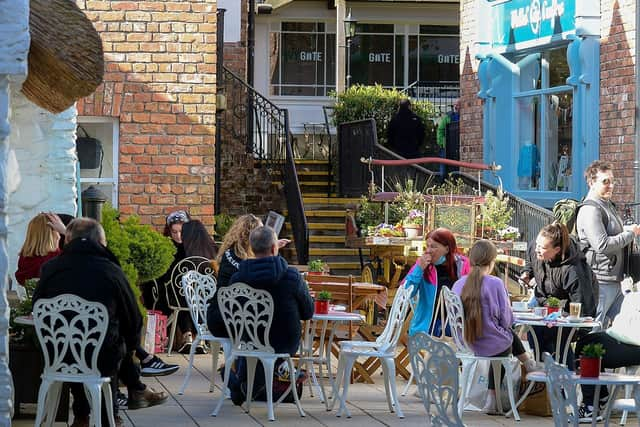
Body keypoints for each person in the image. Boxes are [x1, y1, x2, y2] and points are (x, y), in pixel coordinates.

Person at [33, 218, 167, 427]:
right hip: (101, 358)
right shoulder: (111, 271)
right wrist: (132, 348)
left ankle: (81, 416)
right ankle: (112, 414)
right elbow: (134, 319)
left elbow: (38, 308)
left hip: (57, 355)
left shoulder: (50, 269)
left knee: (76, 341)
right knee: (109, 343)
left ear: (67, 241)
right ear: (102, 242)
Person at [226, 226, 314, 403]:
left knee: (253, 349)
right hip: (284, 343)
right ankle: (250, 388)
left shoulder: (237, 279)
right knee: (267, 350)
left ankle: (241, 385)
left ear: (251, 249)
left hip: (249, 341)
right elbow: (308, 312)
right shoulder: (292, 277)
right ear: (275, 248)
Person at [451, 240, 537, 414]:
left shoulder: (458, 284)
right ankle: (497, 392)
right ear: (492, 262)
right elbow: (507, 319)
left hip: (465, 343)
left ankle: (528, 363)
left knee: (505, 336)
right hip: (492, 344)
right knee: (506, 336)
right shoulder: (496, 283)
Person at [520, 222, 599, 369]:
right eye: (537, 245)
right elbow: (531, 260)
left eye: (542, 248)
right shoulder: (535, 248)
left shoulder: (572, 270)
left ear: (556, 249)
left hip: (571, 308)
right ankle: (542, 376)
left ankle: (564, 382)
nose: (537, 249)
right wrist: (527, 272)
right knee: (534, 332)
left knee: (557, 338)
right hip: (545, 303)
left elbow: (582, 304)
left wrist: (567, 318)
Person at [576, 160, 640, 328]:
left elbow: (610, 232)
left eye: (612, 181)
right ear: (591, 182)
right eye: (605, 181)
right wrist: (630, 234)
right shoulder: (591, 209)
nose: (611, 185)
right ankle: (587, 355)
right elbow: (602, 244)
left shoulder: (605, 205)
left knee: (620, 327)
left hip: (614, 279)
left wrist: (627, 229)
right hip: (600, 279)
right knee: (594, 328)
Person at [575, 291, 640, 422]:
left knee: (588, 350)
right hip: (623, 336)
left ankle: (592, 405)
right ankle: (599, 395)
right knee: (585, 341)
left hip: (634, 344)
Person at [141, 210, 194, 352]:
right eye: (174, 232)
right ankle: (185, 335)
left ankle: (187, 335)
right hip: (168, 291)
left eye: (181, 231)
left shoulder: (194, 246)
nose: (178, 236)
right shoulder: (166, 247)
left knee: (185, 294)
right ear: (169, 231)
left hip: (191, 292)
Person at [402, 227, 470, 336]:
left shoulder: (463, 265)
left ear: (447, 249)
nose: (428, 250)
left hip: (457, 328)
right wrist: (419, 270)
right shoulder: (422, 265)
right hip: (427, 327)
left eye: (433, 246)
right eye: (427, 246)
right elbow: (406, 292)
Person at [207, 213, 263, 338]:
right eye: (261, 233)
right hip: (225, 318)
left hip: (228, 314)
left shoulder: (231, 253)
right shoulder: (237, 259)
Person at [15, 212, 65, 285]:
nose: (59, 236)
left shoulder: (24, 259)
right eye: (58, 231)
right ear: (53, 234)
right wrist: (65, 231)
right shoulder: (58, 258)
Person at [436, 98, 459, 178]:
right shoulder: (448, 116)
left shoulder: (462, 116)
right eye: (455, 104)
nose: (456, 106)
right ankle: (442, 181)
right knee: (444, 165)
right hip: (447, 145)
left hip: (457, 145)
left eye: (458, 104)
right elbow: (440, 130)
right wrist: (442, 143)